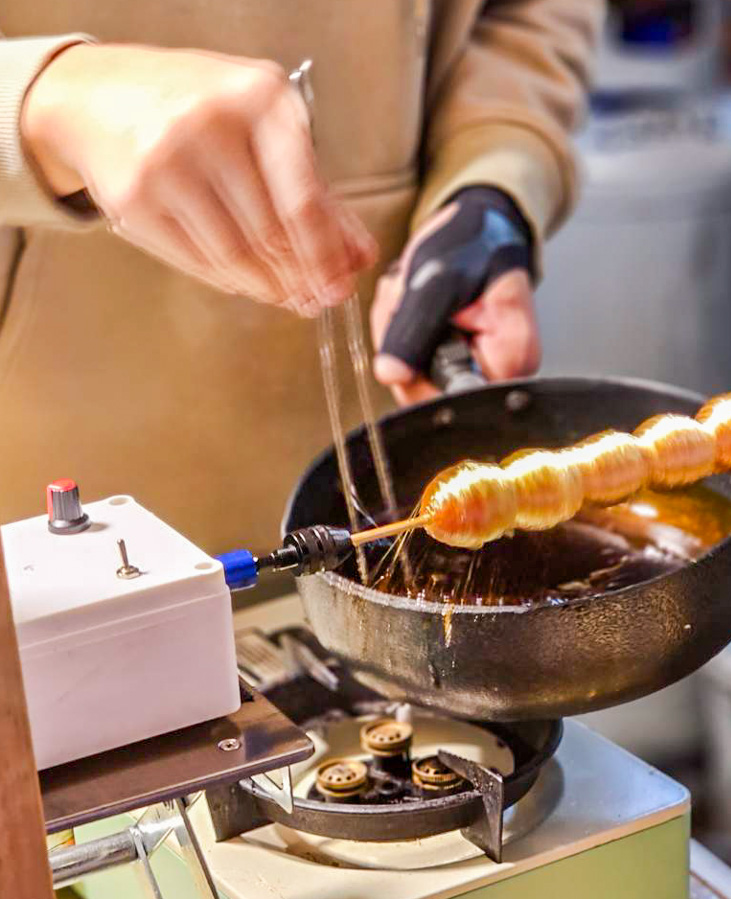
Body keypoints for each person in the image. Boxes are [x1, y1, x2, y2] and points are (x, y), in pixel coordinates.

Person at [0, 3, 603, 554]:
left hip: (386, 462)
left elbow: (526, 18)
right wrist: (46, 101)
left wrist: (492, 178)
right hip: (50, 517)